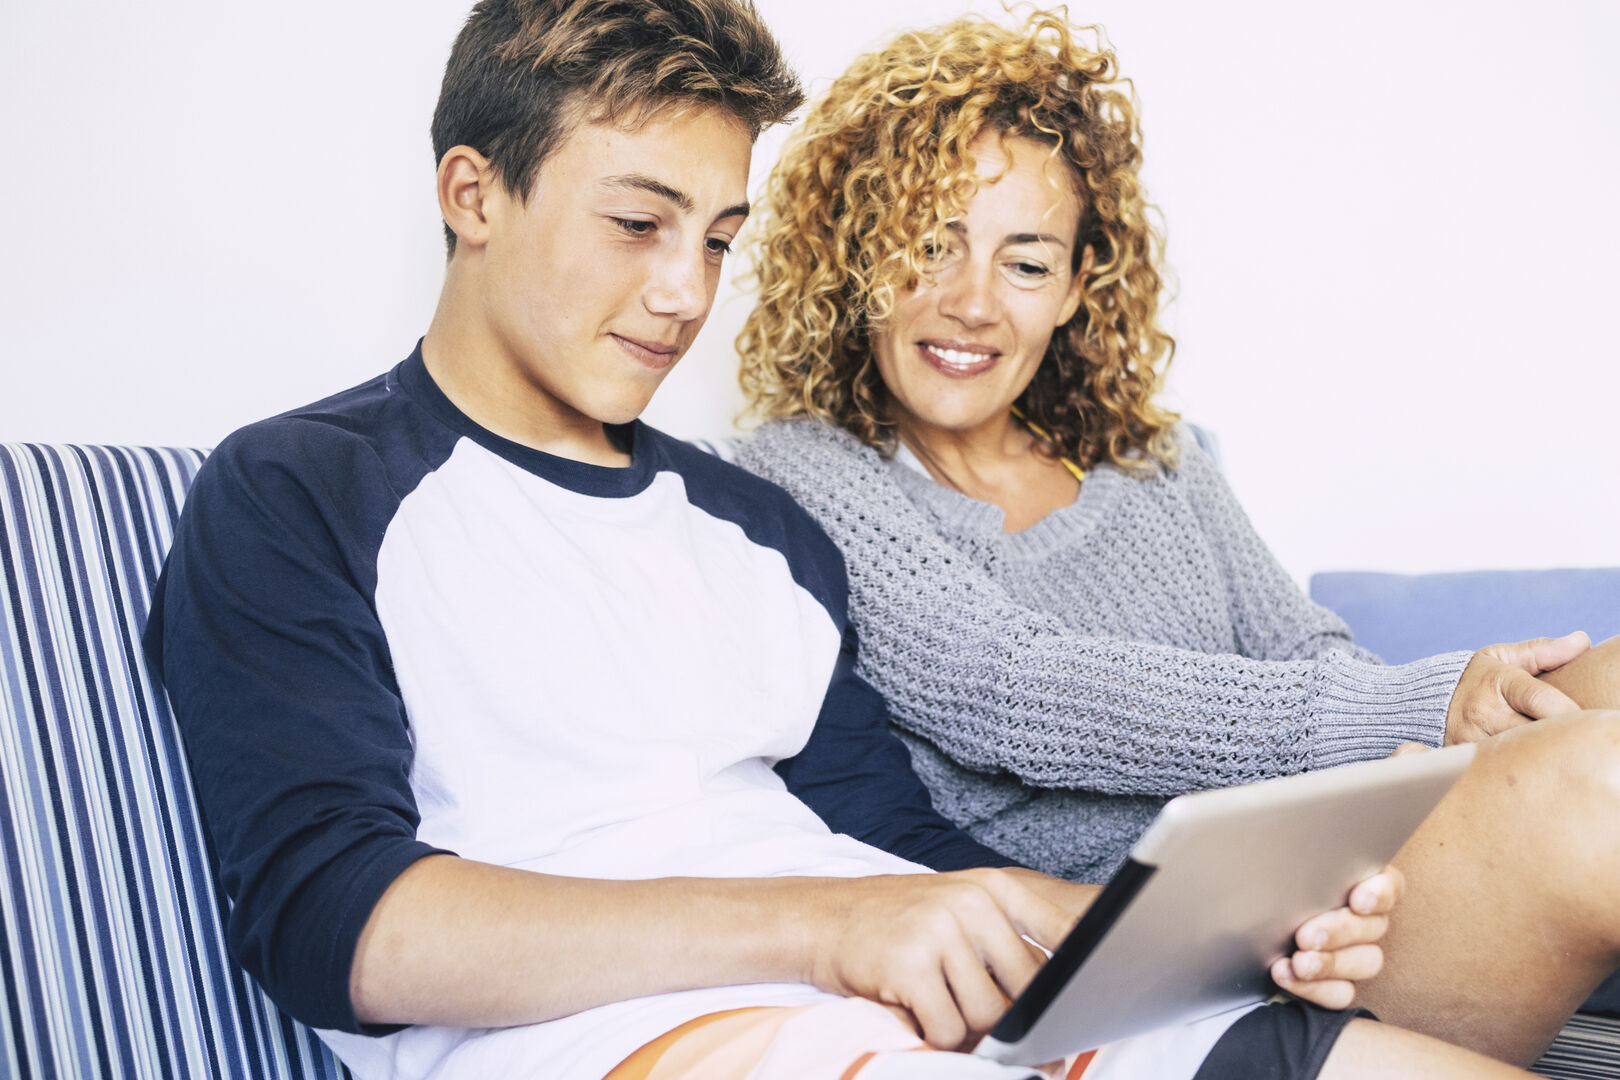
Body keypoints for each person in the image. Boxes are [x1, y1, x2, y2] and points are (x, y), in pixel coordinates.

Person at [140, 2, 1539, 1079]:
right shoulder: (297, 491)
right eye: (637, 224)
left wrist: (1222, 939)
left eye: (718, 239)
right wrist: (827, 929)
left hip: (946, 1009)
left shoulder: (753, 526)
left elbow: (907, 855)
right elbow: (340, 925)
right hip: (671, 1037)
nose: (683, 293)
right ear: (473, 194)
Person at [732, 7, 1620, 1068]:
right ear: (856, 254)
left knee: (1604, 678)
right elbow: (1009, 687)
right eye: (931, 245)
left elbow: (1307, 654)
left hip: (1316, 877)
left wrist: (1407, 753)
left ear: (1073, 287)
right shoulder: (803, 467)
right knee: (1597, 773)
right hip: (1165, 940)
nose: (971, 303)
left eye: (1024, 263)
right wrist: (1425, 706)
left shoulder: (1159, 456)